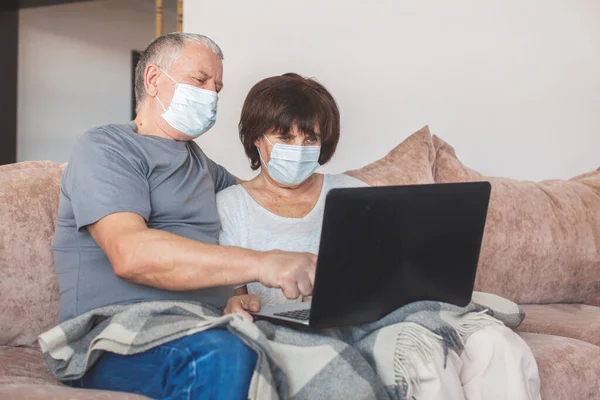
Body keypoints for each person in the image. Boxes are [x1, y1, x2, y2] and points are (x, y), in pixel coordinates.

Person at [217, 73, 541, 400]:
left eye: (310, 139)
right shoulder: (231, 206)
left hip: (377, 318)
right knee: (421, 357)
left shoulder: (351, 191)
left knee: (496, 343)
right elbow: (237, 298)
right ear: (256, 137)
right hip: (300, 331)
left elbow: (391, 272)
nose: (299, 150)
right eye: (285, 138)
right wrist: (236, 302)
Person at [52, 33, 317, 399]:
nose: (212, 95)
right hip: (112, 334)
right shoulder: (105, 147)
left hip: (202, 324)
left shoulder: (204, 167)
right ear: (153, 79)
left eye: (217, 87)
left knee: (311, 350)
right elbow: (131, 254)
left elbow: (265, 199)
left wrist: (316, 180)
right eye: (200, 81)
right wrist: (262, 264)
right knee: (221, 356)